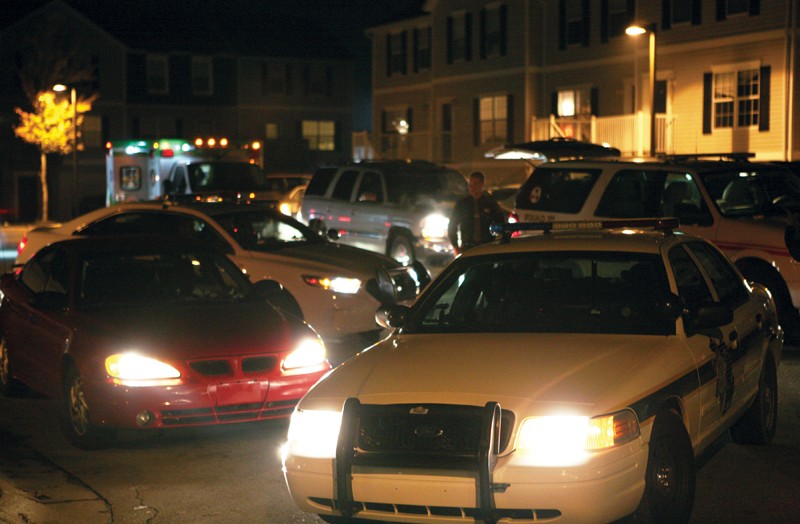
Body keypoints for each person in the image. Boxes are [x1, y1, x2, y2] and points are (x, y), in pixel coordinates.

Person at [448, 171, 505, 256]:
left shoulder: (489, 203)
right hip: (468, 245)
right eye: (470, 185)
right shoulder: (463, 204)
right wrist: (455, 245)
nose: (472, 187)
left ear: (482, 185)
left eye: (475, 184)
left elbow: (500, 222)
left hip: (487, 244)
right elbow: (452, 225)